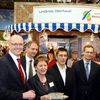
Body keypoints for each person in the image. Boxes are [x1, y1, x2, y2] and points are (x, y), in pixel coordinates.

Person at [0, 34, 36, 100]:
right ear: (9, 45)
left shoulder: (21, 60)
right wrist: (22, 95)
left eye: (20, 44)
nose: (18, 47)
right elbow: (1, 92)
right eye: (15, 44)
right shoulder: (2, 62)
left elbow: (20, 84)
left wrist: (28, 92)